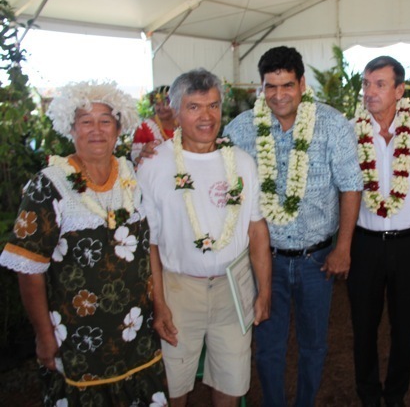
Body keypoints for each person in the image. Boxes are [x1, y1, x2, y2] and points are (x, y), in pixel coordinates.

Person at [0, 81, 168, 405]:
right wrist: (44, 335)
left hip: (136, 334)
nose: (96, 130)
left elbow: (149, 250)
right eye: (86, 121)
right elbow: (29, 270)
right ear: (71, 128)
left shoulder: (132, 177)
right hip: (77, 340)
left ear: (119, 128)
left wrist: (160, 307)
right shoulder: (49, 185)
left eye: (105, 121)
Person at [224, 46, 363, 407]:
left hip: (316, 261)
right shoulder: (241, 130)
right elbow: (207, 163)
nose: (279, 95)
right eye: (271, 86)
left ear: (302, 83)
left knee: (313, 344)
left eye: (287, 85)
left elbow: (351, 185)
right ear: (261, 87)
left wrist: (343, 247)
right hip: (263, 261)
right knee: (268, 346)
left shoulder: (332, 124)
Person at [136, 68, 272, 407]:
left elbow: (257, 229)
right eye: (194, 107)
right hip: (179, 289)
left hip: (232, 289)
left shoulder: (241, 162)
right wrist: (159, 303)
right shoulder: (153, 165)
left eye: (213, 105)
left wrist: (264, 291)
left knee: (232, 378)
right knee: (174, 383)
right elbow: (149, 243)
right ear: (175, 110)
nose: (206, 116)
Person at [347, 56, 410, 407]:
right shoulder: (349, 129)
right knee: (364, 325)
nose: (370, 92)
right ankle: (368, 395)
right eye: (367, 84)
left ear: (399, 90)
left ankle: (395, 394)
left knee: (405, 326)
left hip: (409, 244)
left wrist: (406, 217)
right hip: (364, 244)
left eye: (380, 84)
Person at [131, 85, 177, 165]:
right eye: (157, 104)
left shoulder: (182, 124)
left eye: (165, 104)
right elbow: (136, 157)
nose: (161, 108)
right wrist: (142, 155)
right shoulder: (145, 127)